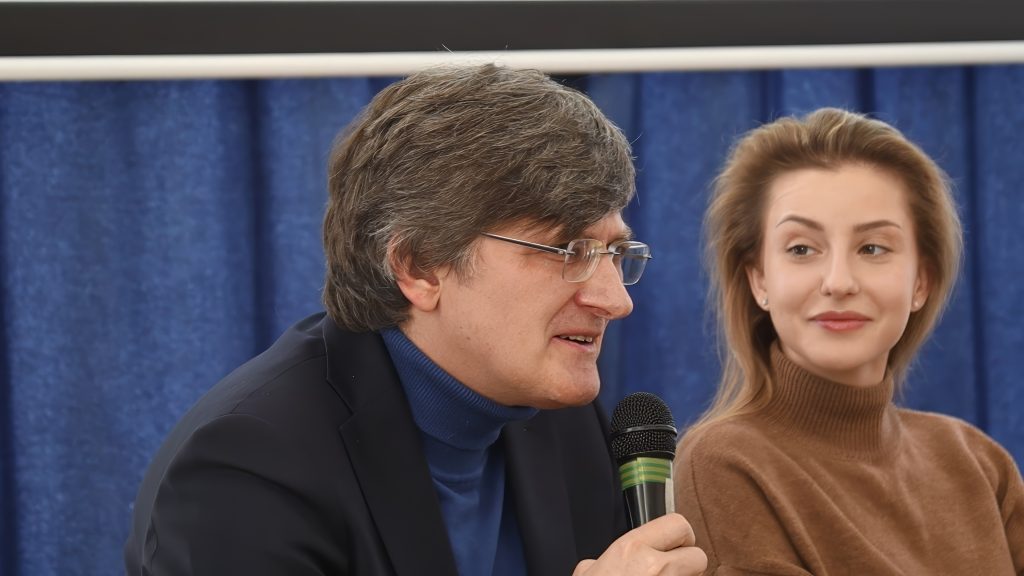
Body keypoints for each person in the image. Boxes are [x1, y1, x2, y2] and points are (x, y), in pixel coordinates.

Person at [125, 64, 707, 576]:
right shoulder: (249, 466)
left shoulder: (566, 423)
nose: (615, 300)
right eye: (569, 252)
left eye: (615, 253)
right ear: (420, 267)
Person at [675, 107, 1024, 574]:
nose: (838, 282)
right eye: (802, 249)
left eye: (872, 248)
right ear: (759, 280)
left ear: (921, 281)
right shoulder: (725, 464)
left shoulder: (977, 462)